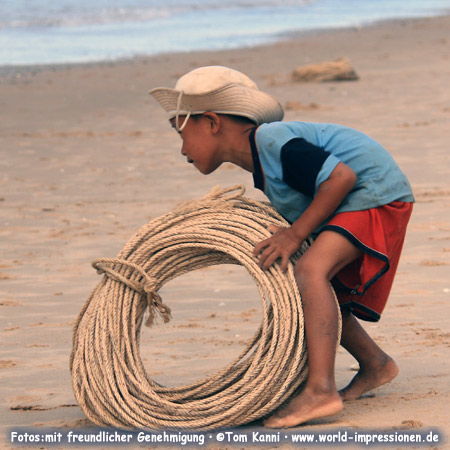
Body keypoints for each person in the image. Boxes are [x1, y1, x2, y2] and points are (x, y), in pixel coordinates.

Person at [149, 66, 414, 428]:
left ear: (211, 122)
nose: (182, 150)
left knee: (310, 271)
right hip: (359, 199)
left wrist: (294, 235)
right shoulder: (262, 162)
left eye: (180, 131)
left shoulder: (271, 140)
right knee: (321, 292)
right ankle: (375, 363)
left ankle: (321, 390)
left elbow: (341, 177)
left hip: (372, 193)